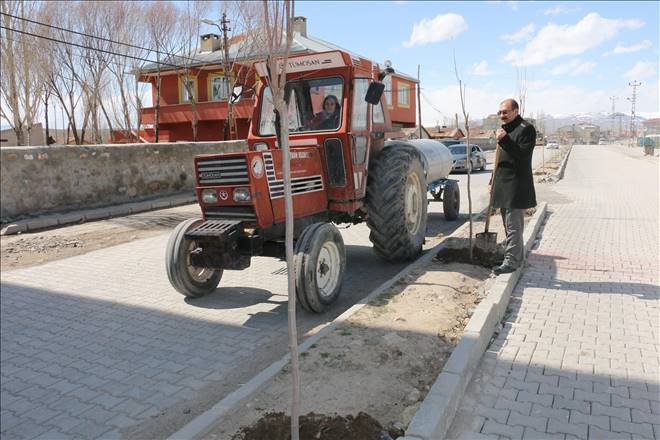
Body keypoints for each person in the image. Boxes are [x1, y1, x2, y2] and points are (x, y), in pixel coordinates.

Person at [491, 98, 537, 275]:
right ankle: (517, 258)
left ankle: (511, 263)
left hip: (516, 186)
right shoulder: (504, 130)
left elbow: (523, 155)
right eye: (500, 112)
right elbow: (498, 161)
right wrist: (491, 182)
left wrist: (505, 140)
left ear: (516, 111)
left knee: (513, 227)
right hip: (502, 185)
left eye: (505, 112)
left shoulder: (526, 129)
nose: (502, 115)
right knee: (509, 226)